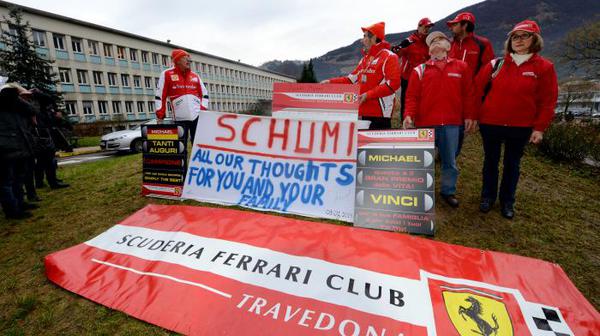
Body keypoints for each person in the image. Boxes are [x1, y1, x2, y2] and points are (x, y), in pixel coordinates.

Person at [474, 20, 558, 219]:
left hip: (520, 126)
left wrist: (539, 128)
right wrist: (472, 116)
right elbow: (476, 91)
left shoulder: (544, 67)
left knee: (512, 165)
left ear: (534, 39)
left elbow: (548, 101)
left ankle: (507, 202)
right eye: (514, 36)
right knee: (490, 162)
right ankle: (487, 197)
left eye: (524, 36)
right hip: (491, 123)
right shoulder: (496, 64)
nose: (518, 40)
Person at [403, 31, 476, 208]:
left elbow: (468, 94)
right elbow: (411, 97)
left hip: (452, 123)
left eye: (439, 40)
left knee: (450, 161)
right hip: (425, 123)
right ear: (429, 50)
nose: (435, 43)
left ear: (447, 46)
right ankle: (420, 191)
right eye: (432, 42)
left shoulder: (462, 67)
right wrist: (408, 115)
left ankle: (447, 191)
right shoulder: (419, 70)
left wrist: (469, 116)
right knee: (423, 160)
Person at [321, 22, 400, 129]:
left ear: (374, 38)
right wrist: (330, 82)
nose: (362, 40)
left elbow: (393, 84)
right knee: (360, 145)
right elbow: (350, 80)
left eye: (365, 36)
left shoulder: (389, 57)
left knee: (375, 145)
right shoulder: (364, 60)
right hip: (361, 112)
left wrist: (368, 95)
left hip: (380, 114)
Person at [447, 12, 494, 156]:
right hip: (448, 93)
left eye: (455, 24)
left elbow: (488, 71)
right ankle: (441, 152)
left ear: (465, 25)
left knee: (460, 128)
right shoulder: (448, 44)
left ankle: (452, 156)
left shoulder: (482, 44)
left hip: (469, 95)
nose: (451, 27)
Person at [155, 49, 209, 145]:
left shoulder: (195, 76)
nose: (189, 61)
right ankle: (182, 160)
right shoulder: (167, 74)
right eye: (185, 58)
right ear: (178, 60)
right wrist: (160, 115)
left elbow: (205, 94)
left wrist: (202, 110)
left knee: (199, 144)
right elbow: (160, 95)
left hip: (196, 117)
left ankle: (196, 160)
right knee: (180, 145)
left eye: (189, 59)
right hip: (179, 119)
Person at [0, 83, 36, 219]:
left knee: (18, 178)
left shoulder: (15, 105)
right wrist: (17, 89)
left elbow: (31, 109)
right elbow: (10, 95)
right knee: (6, 182)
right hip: (5, 147)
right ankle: (12, 210)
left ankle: (19, 203)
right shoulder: (5, 100)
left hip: (19, 145)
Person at [392, 18, 434, 121]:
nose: (427, 29)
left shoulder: (429, 42)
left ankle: (421, 124)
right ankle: (405, 125)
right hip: (407, 77)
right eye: (425, 27)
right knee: (406, 102)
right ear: (419, 27)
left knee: (422, 101)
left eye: (429, 27)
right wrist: (396, 49)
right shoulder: (409, 41)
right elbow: (396, 54)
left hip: (424, 78)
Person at [30, 88, 69, 189]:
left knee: (42, 161)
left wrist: (58, 118)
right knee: (48, 161)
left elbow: (54, 123)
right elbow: (45, 124)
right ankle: (52, 182)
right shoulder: (38, 108)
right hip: (43, 138)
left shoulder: (42, 108)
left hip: (44, 137)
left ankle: (42, 182)